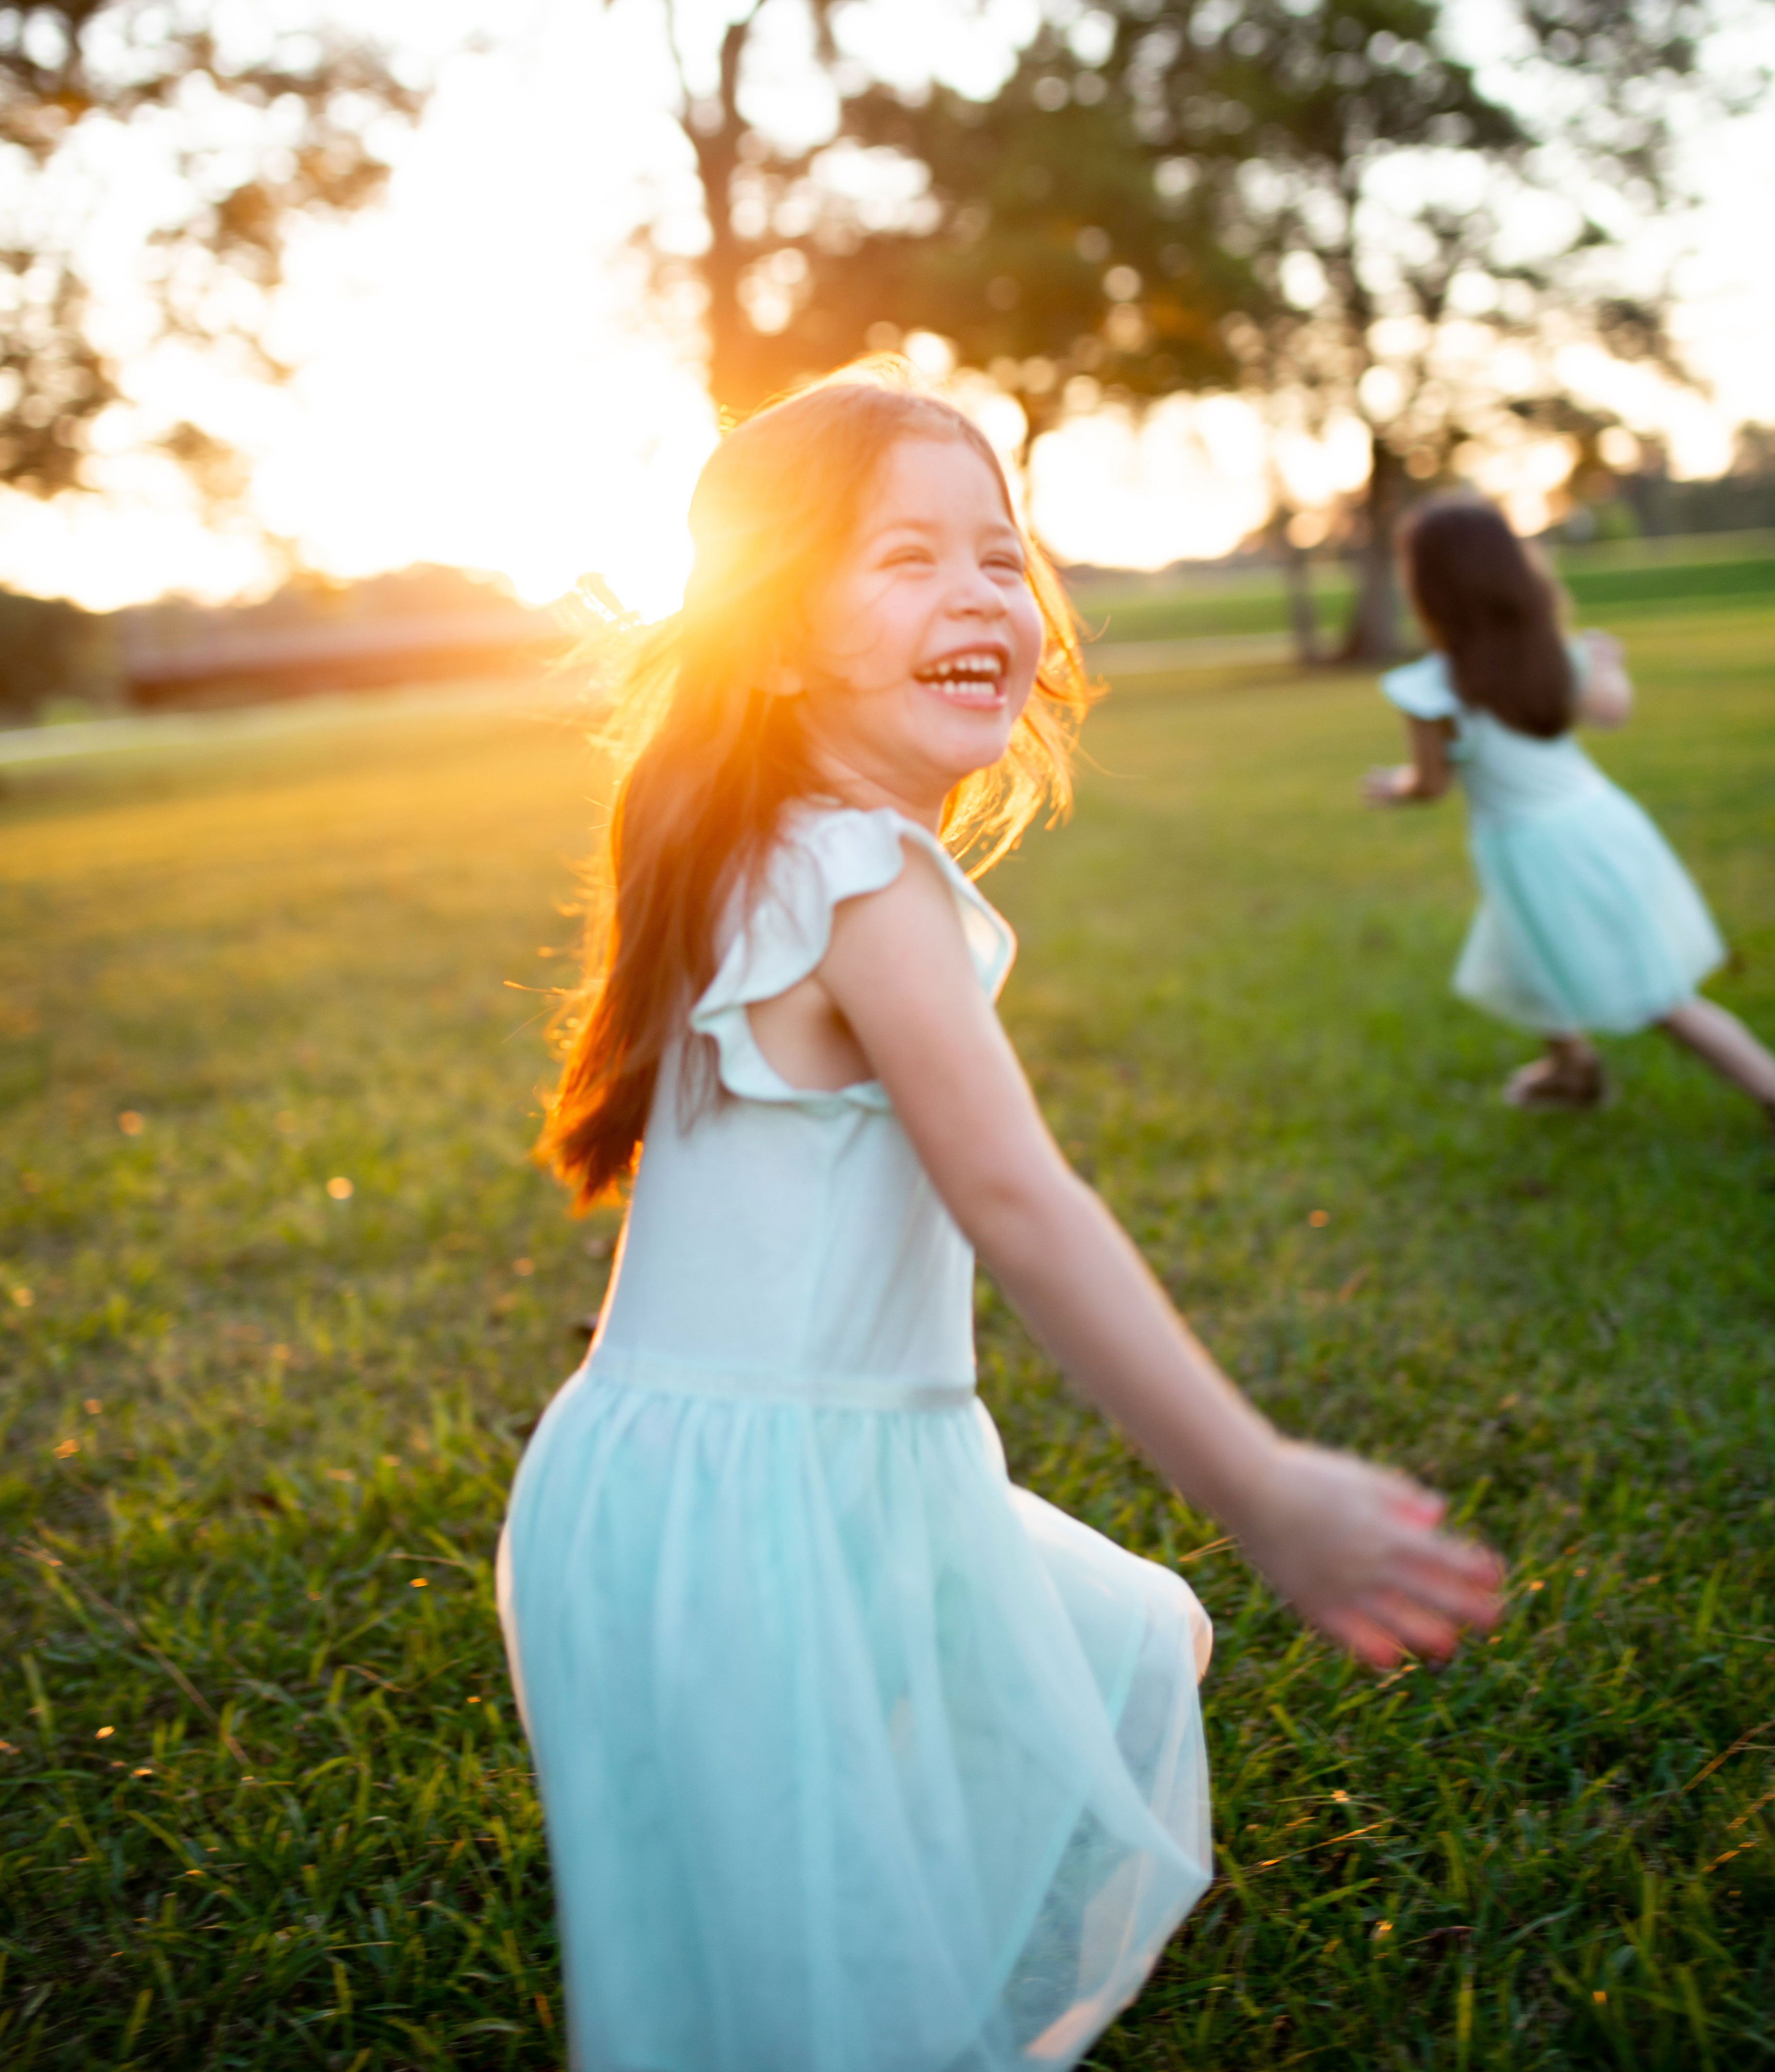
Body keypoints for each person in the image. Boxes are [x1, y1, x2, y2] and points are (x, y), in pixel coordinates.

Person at [500, 375, 1502, 2072]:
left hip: (654, 1486)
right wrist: (1256, 1487)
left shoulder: (757, 847)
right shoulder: (857, 880)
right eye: (905, 555)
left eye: (998, 555)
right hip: (765, 1505)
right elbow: (1019, 1203)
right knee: (821, 2004)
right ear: (774, 635)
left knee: (1109, 1646)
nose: (977, 595)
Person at [1366, 493, 1775, 1124]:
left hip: (1537, 851)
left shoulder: (1432, 687)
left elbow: (1430, 784)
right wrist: (1608, 666)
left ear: (1428, 588)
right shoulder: (1552, 657)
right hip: (1601, 825)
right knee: (1527, 957)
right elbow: (1612, 712)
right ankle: (1571, 1071)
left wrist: (1391, 787)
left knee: (1658, 996)